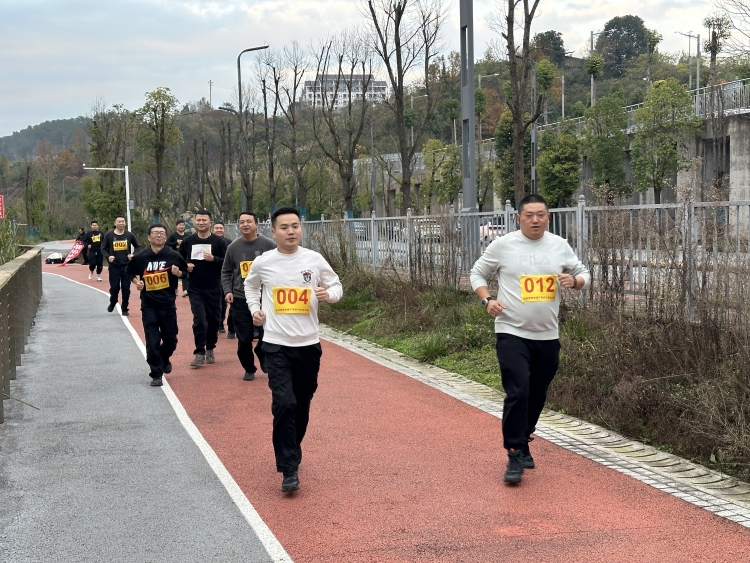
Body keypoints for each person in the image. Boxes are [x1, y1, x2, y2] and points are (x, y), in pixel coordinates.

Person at [469, 194, 590, 485]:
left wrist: (575, 282)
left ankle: (523, 439)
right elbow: (477, 273)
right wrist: (487, 300)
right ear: (518, 218)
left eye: (541, 215)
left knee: (538, 392)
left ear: (548, 217)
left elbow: (583, 272)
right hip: (511, 330)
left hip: (547, 334)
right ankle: (513, 453)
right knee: (518, 391)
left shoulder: (559, 245)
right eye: (529, 215)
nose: (535, 220)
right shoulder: (503, 245)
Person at [245, 206, 343, 493]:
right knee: (284, 404)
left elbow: (336, 285)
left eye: (295, 226)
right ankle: (288, 468)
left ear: (301, 229)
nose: (291, 231)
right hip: (275, 344)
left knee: (301, 404)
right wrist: (255, 310)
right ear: (273, 231)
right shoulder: (264, 262)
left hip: (308, 345)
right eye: (284, 227)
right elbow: (251, 287)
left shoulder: (313, 260)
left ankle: (292, 448)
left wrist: (330, 295)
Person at [128, 224, 188, 386]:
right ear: (149, 237)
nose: (159, 236)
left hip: (168, 305)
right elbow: (129, 272)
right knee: (152, 341)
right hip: (149, 305)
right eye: (155, 233)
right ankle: (156, 373)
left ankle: (164, 358)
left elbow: (186, 271)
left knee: (171, 340)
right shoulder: (141, 257)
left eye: (162, 233)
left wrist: (179, 274)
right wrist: (137, 282)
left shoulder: (173, 255)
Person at [221, 212, 276, 381]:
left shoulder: (269, 245)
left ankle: (262, 351)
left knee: (267, 335)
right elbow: (226, 271)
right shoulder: (233, 247)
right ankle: (249, 367)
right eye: (242, 222)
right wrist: (228, 290)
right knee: (244, 339)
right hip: (241, 298)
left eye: (249, 222)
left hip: (265, 299)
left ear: (256, 224)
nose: (245, 225)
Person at [180, 210, 227, 368]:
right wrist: (186, 266)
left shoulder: (218, 242)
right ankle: (199, 352)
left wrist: (213, 259)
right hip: (195, 288)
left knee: (213, 321)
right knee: (199, 320)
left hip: (214, 287)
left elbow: (226, 262)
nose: (201, 223)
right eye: (198, 220)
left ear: (210, 222)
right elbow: (179, 260)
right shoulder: (188, 241)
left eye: (204, 220)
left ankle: (210, 348)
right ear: (194, 222)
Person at [101, 215, 141, 316]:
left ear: (125, 223)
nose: (121, 223)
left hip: (126, 266)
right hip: (114, 266)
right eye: (119, 222)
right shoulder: (109, 235)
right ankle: (113, 301)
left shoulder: (129, 235)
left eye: (123, 221)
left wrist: (133, 255)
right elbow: (103, 248)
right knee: (114, 289)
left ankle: (124, 308)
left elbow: (138, 247)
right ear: (115, 223)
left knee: (126, 289)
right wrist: (108, 257)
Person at [213, 221, 236, 336]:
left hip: (228, 276)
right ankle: (218, 323)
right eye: (216, 228)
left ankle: (226, 324)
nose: (219, 230)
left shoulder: (230, 243)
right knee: (217, 302)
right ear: (213, 229)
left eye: (221, 228)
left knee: (225, 300)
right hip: (213, 276)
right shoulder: (210, 242)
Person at [166, 219, 189, 297]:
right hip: (175, 257)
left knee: (185, 273)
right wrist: (176, 243)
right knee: (175, 273)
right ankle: (175, 289)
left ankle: (185, 290)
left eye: (183, 225)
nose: (181, 226)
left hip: (185, 257)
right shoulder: (173, 235)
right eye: (180, 225)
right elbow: (167, 243)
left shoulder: (187, 236)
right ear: (176, 226)